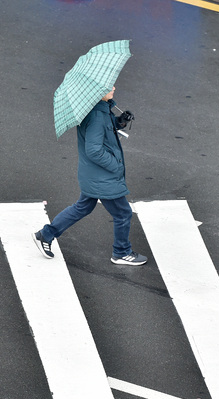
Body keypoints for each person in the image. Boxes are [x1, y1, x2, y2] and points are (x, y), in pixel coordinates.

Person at [32, 86, 147, 265]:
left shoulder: (98, 109)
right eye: (108, 86)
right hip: (102, 176)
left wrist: (121, 122)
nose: (114, 88)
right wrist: (115, 166)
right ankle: (121, 252)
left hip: (94, 174)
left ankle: (45, 234)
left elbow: (105, 130)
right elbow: (93, 149)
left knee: (83, 207)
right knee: (123, 213)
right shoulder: (96, 115)